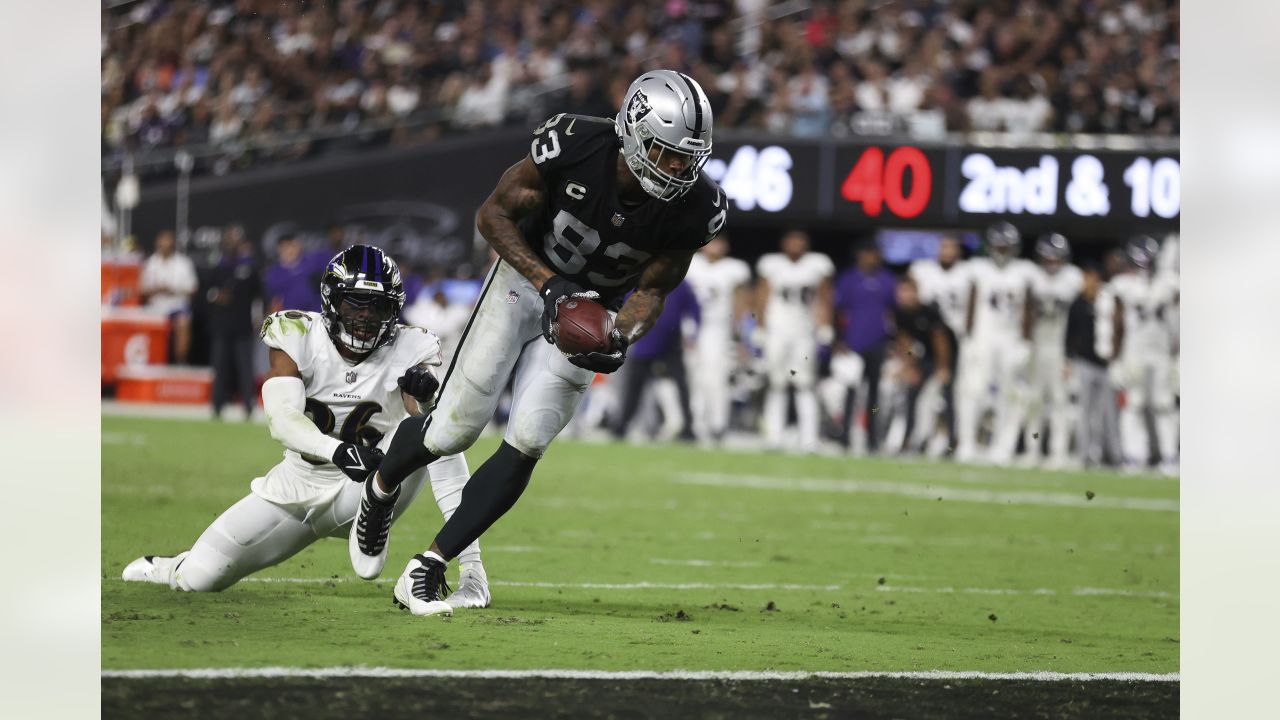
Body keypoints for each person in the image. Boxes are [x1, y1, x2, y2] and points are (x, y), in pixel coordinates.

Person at [352, 70, 726, 617]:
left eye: (687, 156)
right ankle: (382, 486)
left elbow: (653, 290)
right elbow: (492, 215)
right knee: (453, 431)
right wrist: (550, 286)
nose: (676, 168)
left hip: (592, 310)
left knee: (528, 440)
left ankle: (427, 566)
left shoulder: (698, 206)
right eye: (664, 151)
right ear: (631, 129)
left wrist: (620, 335)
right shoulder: (574, 144)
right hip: (523, 282)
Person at [122, 246, 489, 609]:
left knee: (434, 428)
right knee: (200, 578)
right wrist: (337, 451)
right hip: (296, 486)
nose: (365, 317)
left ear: (392, 311)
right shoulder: (296, 332)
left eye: (376, 307)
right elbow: (282, 419)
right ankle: (172, 567)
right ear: (331, 303)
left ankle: (469, 569)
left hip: (365, 486)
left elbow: (427, 429)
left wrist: (424, 400)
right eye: (354, 304)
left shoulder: (410, 345)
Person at [1095, 236, 1179, 475]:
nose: (1144, 266)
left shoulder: (1170, 284)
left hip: (1162, 353)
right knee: (1133, 404)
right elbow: (1115, 322)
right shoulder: (1122, 285)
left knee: (1164, 404)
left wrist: (1179, 354)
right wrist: (1113, 357)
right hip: (1134, 353)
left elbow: (1178, 322)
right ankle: (1135, 455)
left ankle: (1169, 456)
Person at [955, 222, 1037, 466]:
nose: (1001, 250)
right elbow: (970, 302)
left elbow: (1028, 308)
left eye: (1006, 246)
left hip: (1010, 338)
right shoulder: (978, 269)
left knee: (1010, 395)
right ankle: (966, 443)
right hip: (983, 335)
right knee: (973, 391)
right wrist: (968, 337)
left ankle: (1003, 447)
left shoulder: (1024, 271)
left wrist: (1026, 341)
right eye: (998, 246)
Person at [755, 230, 834, 453]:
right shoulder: (772, 264)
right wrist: (760, 327)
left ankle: (809, 439)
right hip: (777, 330)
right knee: (776, 383)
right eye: (792, 240)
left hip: (804, 331)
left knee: (806, 383)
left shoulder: (817, 264)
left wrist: (825, 326)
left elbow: (825, 297)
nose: (796, 245)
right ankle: (774, 437)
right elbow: (762, 296)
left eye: (800, 240)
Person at [610, 280, 700, 441]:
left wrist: (693, 331)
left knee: (681, 386)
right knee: (634, 386)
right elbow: (622, 306)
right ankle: (622, 425)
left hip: (672, 341)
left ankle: (688, 427)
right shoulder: (639, 281)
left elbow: (693, 307)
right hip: (645, 339)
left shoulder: (679, 282)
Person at [684, 235, 751, 443]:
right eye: (713, 242)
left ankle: (718, 423)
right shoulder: (690, 262)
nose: (716, 246)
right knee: (692, 376)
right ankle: (694, 423)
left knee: (717, 376)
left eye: (720, 243)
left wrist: (741, 333)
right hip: (690, 326)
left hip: (718, 327)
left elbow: (741, 301)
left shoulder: (734, 268)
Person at [1024, 234, 1083, 469]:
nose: (1050, 263)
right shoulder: (1031, 277)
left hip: (1060, 346)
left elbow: (1077, 318)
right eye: (1047, 258)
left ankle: (1058, 452)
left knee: (1060, 400)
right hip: (1037, 346)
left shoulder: (1072, 277)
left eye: (1055, 258)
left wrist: (1071, 354)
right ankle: (1032, 450)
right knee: (1033, 400)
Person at [907, 234, 969, 454]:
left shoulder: (967, 273)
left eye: (951, 247)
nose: (947, 252)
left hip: (955, 341)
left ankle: (951, 442)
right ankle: (916, 439)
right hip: (927, 340)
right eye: (943, 247)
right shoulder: (923, 271)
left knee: (951, 395)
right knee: (919, 393)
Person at [831, 240, 895, 453]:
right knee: (850, 394)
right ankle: (845, 436)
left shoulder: (887, 280)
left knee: (874, 396)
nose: (871, 258)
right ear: (860, 255)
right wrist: (840, 340)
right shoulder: (849, 279)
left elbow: (893, 313)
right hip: (853, 344)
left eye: (874, 253)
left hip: (878, 344)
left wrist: (892, 342)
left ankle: (872, 439)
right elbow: (838, 312)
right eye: (867, 253)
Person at [890, 276, 954, 455]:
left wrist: (943, 368)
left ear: (916, 292)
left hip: (946, 357)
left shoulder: (928, 312)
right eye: (901, 292)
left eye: (908, 291)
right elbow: (905, 343)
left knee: (947, 399)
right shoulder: (900, 313)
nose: (905, 296)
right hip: (924, 357)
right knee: (912, 395)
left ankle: (951, 444)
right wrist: (909, 366)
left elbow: (941, 341)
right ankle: (908, 440)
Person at [207, 232, 264, 420]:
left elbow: (260, 295)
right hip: (222, 326)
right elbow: (206, 293)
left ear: (240, 244)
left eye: (235, 242)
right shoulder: (218, 267)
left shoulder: (249, 267)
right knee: (220, 367)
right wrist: (217, 297)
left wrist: (261, 316)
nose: (231, 245)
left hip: (243, 326)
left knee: (245, 368)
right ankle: (217, 405)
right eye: (228, 242)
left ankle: (248, 406)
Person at [1065, 264, 1117, 468]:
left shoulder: (1107, 302)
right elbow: (1070, 333)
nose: (1088, 284)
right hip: (1085, 362)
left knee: (1106, 413)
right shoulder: (1078, 303)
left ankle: (1109, 454)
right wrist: (1068, 359)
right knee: (1084, 411)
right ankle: (1084, 454)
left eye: (1091, 279)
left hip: (1105, 364)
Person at [139, 229, 198, 364]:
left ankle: (180, 360)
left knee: (183, 322)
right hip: (156, 307)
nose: (166, 245)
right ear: (157, 244)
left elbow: (193, 289)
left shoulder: (183, 263)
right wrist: (158, 290)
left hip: (177, 305)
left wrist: (173, 290)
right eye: (163, 242)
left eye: (169, 242)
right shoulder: (150, 264)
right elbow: (142, 291)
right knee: (147, 322)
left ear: (173, 244)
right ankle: (152, 359)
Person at [264, 234, 322, 313]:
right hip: (290, 320)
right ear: (279, 249)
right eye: (285, 247)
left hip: (316, 316)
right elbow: (272, 303)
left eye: (292, 246)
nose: (289, 250)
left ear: (298, 246)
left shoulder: (314, 264)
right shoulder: (274, 274)